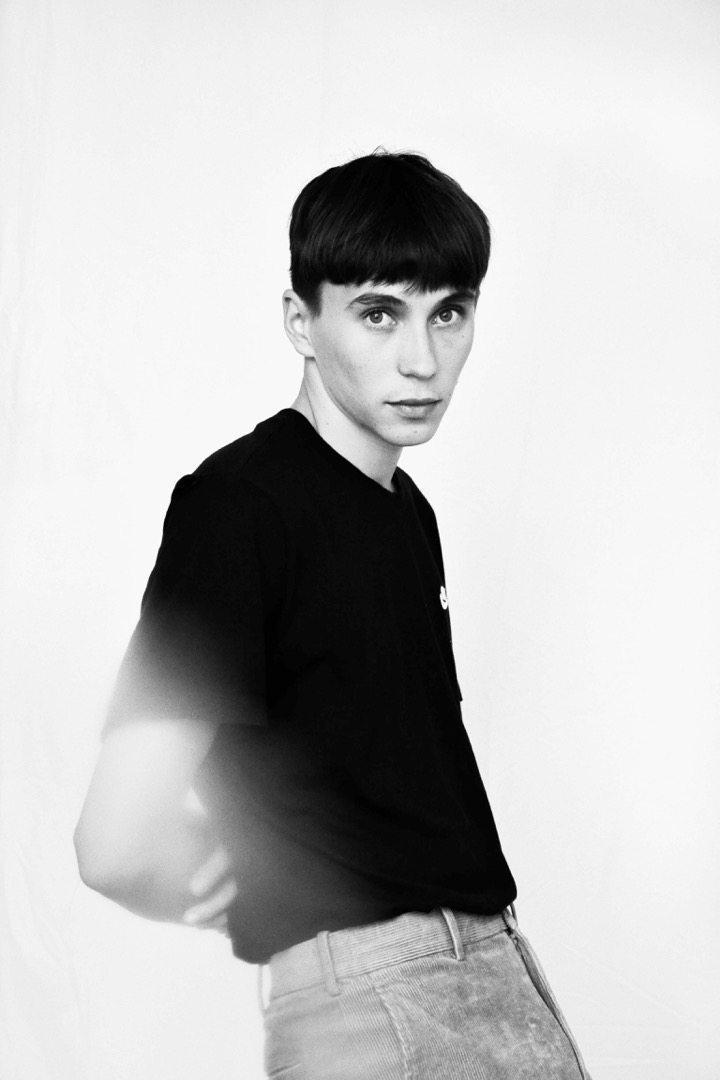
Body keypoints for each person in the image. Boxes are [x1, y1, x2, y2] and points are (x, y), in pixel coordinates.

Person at [75, 151, 591, 1078]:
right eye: (379, 313)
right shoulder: (240, 506)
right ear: (300, 321)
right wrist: (249, 886)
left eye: (450, 313)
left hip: (487, 972)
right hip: (380, 999)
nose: (423, 359)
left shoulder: (407, 512)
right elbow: (114, 841)